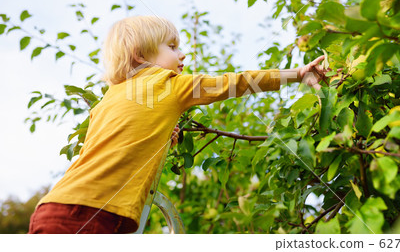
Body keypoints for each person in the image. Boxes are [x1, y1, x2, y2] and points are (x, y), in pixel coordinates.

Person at [28, 15, 329, 234]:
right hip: (93, 214)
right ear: (140, 55)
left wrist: (159, 137)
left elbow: (116, 141)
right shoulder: (168, 83)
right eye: (172, 46)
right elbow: (235, 83)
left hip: (56, 205)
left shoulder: (108, 99)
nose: (182, 54)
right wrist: (298, 73)